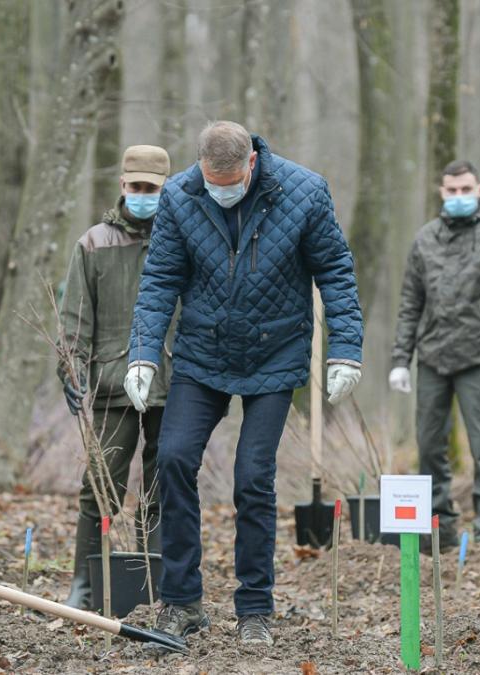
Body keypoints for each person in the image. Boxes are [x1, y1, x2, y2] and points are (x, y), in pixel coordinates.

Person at [126, 121, 363, 647]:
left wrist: (346, 348)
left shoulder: (304, 192)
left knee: (253, 478)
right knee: (173, 458)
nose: (220, 190)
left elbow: (336, 272)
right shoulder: (181, 196)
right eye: (212, 180)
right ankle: (182, 601)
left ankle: (255, 608)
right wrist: (142, 354)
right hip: (201, 353)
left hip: (275, 355)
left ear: (251, 164)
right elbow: (161, 278)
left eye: (229, 181)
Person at [57, 144, 174, 609]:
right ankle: (84, 583)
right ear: (123, 185)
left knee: (164, 486)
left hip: (173, 381)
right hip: (111, 381)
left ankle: (157, 581)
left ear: (166, 189)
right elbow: (75, 316)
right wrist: (71, 367)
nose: (144, 195)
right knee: (100, 485)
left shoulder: (181, 238)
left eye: (153, 188)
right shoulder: (93, 243)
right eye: (136, 186)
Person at [388, 160, 480, 549]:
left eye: (466, 190)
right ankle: (439, 528)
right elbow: (410, 304)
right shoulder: (425, 239)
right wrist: (401, 359)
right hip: (432, 355)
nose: (459, 197)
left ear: (479, 190)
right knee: (429, 445)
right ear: (442, 192)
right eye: (452, 190)